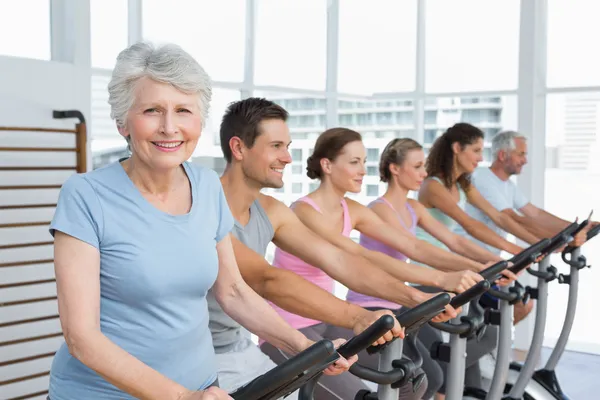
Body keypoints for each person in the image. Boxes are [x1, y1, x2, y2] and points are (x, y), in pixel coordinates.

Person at [46, 42, 352, 400]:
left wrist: (304, 347)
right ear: (122, 122)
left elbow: (233, 291)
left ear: (199, 121)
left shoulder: (206, 185)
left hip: (203, 386)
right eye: (152, 110)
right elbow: (81, 337)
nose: (169, 127)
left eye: (183, 111)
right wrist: (181, 397)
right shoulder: (85, 196)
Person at [213, 98, 476, 400]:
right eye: (276, 146)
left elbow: (337, 259)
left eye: (287, 146)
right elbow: (267, 279)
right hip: (221, 348)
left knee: (413, 380)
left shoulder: (272, 210)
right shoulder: (208, 205)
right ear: (239, 148)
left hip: (243, 344)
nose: (287, 157)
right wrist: (356, 316)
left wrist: (417, 296)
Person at [259, 127, 497, 399]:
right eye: (354, 162)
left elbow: (412, 245)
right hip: (288, 327)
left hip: (328, 319)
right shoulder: (303, 210)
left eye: (364, 162)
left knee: (414, 379)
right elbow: (360, 257)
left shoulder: (353, 209)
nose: (363, 170)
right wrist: (438, 281)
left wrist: (476, 267)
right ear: (327, 165)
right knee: (361, 395)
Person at [357, 137, 519, 399]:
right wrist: (475, 267)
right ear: (395, 169)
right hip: (374, 302)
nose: (424, 173)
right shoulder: (379, 209)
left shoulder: (413, 207)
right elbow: (415, 249)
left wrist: (490, 263)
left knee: (441, 368)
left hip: (401, 299)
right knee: (430, 376)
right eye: (418, 166)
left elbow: (454, 240)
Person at [416, 123, 540, 258]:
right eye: (476, 151)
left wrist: (537, 244)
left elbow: (498, 216)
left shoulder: (463, 185)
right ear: (457, 148)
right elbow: (470, 225)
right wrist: (518, 250)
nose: (481, 158)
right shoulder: (433, 186)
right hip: (429, 261)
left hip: (447, 259)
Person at [458, 130, 593, 253]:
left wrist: (576, 227)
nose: (525, 160)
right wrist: (558, 238)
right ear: (502, 155)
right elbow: (511, 218)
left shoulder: (508, 185)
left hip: (487, 260)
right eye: (521, 154)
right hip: (468, 257)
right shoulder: (483, 178)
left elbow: (535, 213)